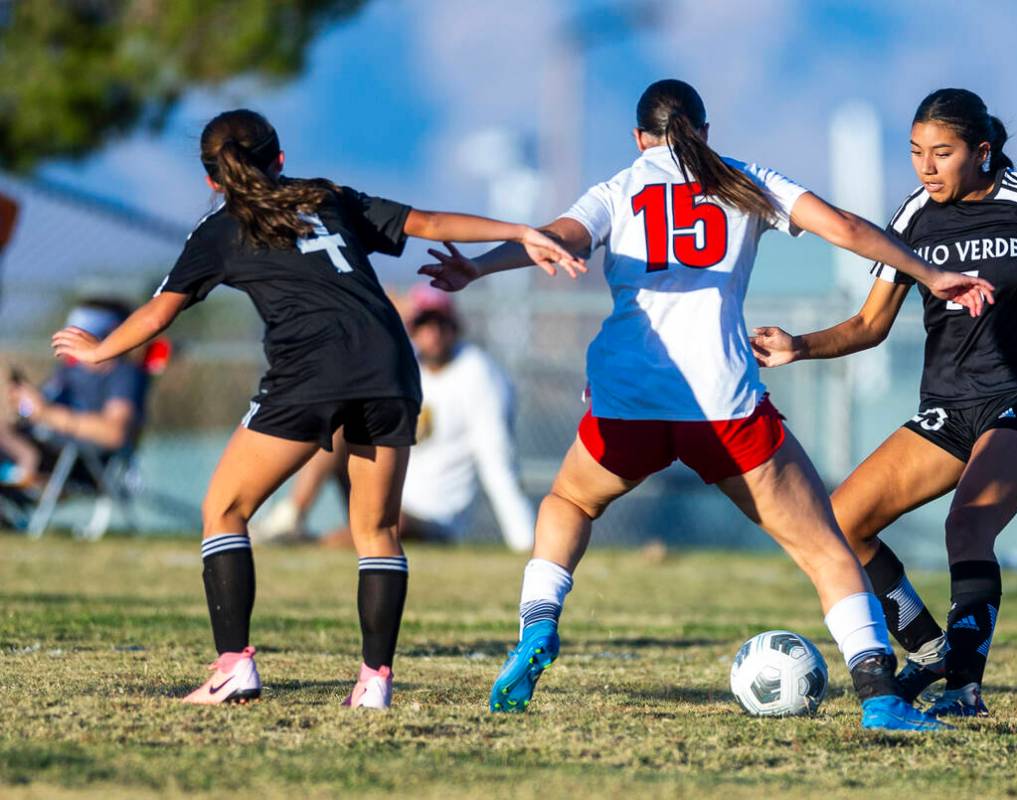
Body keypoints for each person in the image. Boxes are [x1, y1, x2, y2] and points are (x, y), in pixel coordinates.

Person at [420, 79, 993, 730]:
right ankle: (880, 697)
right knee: (824, 548)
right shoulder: (743, 181)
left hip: (628, 399)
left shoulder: (618, 189)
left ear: (640, 138)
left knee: (570, 502)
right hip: (721, 402)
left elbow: (556, 237)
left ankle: (536, 627)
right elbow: (845, 228)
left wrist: (477, 268)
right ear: (705, 131)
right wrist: (931, 273)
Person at [50, 109, 583, 709]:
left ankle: (234, 668)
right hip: (390, 363)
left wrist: (100, 351)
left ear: (212, 180)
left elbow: (158, 313)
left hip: (312, 372)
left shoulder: (219, 229)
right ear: (279, 158)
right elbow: (429, 221)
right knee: (377, 529)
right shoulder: (327, 196)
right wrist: (519, 231)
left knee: (224, 508)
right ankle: (374, 683)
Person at [750, 88, 1017, 717]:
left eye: (941, 153)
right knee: (841, 523)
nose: (926, 166)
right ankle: (927, 648)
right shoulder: (915, 216)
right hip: (948, 405)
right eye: (917, 152)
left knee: (967, 522)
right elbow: (869, 325)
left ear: (981, 152)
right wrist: (799, 346)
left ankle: (964, 689)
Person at [254, 285, 537, 551]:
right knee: (338, 428)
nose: (433, 333)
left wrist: (523, 539)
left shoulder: (478, 374)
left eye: (441, 323)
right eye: (423, 324)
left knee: (390, 524)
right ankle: (291, 517)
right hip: (386, 486)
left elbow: (497, 460)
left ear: (455, 327)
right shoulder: (405, 364)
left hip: (433, 517)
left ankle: (313, 547)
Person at [2, 298, 148, 490]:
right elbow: (38, 410)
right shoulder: (68, 370)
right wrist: (26, 404)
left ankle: (25, 465)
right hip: (39, 447)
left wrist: (48, 414)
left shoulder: (123, 374)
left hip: (78, 461)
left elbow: (115, 433)